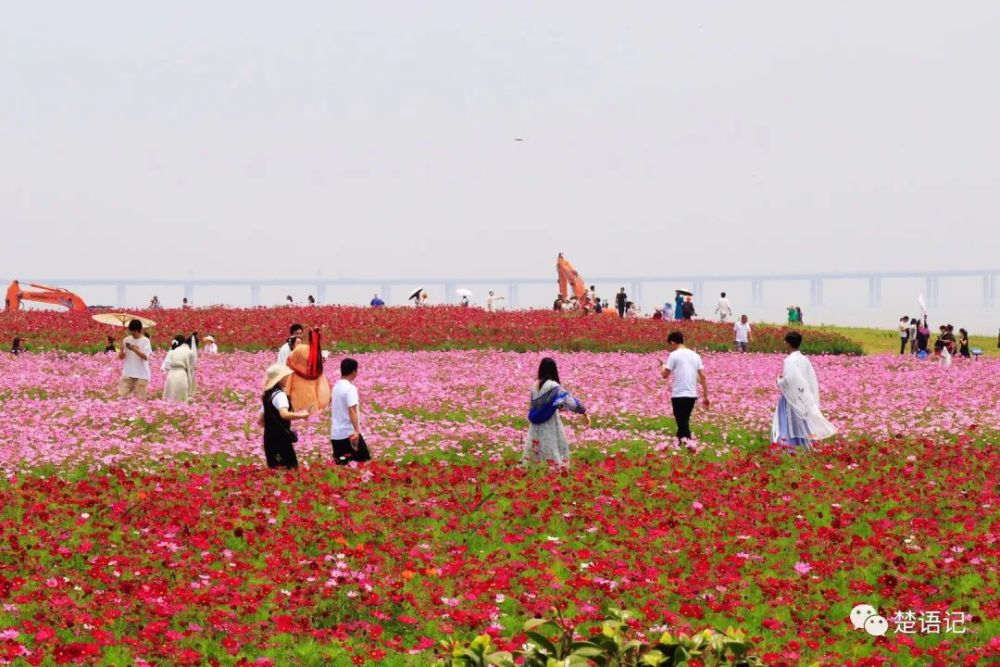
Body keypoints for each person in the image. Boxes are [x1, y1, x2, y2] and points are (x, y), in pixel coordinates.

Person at [771, 331, 836, 452]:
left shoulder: (789, 360)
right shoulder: (804, 359)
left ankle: (787, 447)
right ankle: (803, 446)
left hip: (790, 397)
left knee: (787, 422)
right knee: (802, 422)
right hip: (802, 397)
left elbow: (790, 380)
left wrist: (779, 380)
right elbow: (809, 379)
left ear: (788, 343)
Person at [523, 357, 590, 466]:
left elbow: (538, 404)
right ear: (554, 370)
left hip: (535, 422)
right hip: (550, 421)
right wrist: (583, 411)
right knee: (552, 444)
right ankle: (553, 469)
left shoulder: (534, 385)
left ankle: (535, 468)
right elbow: (569, 401)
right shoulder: (553, 385)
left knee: (536, 444)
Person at [257, 364, 313, 469]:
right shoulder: (280, 395)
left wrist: (272, 426)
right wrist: (301, 415)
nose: (287, 378)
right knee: (289, 470)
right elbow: (284, 414)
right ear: (280, 378)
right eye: (285, 376)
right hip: (281, 439)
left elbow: (260, 420)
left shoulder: (267, 395)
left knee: (274, 470)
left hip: (269, 439)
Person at [659, 331, 709, 446]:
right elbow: (703, 377)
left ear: (672, 342)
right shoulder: (695, 356)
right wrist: (706, 396)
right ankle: (679, 446)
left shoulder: (674, 355)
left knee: (682, 423)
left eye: (670, 344)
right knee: (683, 422)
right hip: (692, 395)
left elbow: (665, 375)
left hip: (678, 394)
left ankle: (690, 446)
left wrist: (662, 367)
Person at [330, 357, 371, 465]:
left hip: (336, 434)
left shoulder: (336, 387)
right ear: (354, 372)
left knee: (342, 468)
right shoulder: (350, 388)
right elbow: (352, 410)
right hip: (349, 434)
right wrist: (357, 431)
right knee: (363, 463)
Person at [284, 329, 332, 413]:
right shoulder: (315, 372)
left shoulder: (294, 370)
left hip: (298, 395)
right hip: (310, 396)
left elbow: (289, 362)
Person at [118, 319, 152, 399]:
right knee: (121, 397)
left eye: (135, 332)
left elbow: (145, 357)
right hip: (128, 373)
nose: (133, 334)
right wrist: (121, 350)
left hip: (141, 375)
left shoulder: (145, 341)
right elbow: (121, 357)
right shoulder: (126, 340)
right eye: (131, 332)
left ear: (139, 330)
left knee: (140, 400)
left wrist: (134, 349)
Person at [161, 334, 195, 402]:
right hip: (181, 375)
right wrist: (190, 390)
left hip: (171, 374)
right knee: (181, 398)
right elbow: (190, 370)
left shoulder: (173, 350)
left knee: (169, 397)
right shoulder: (190, 352)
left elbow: (166, 366)